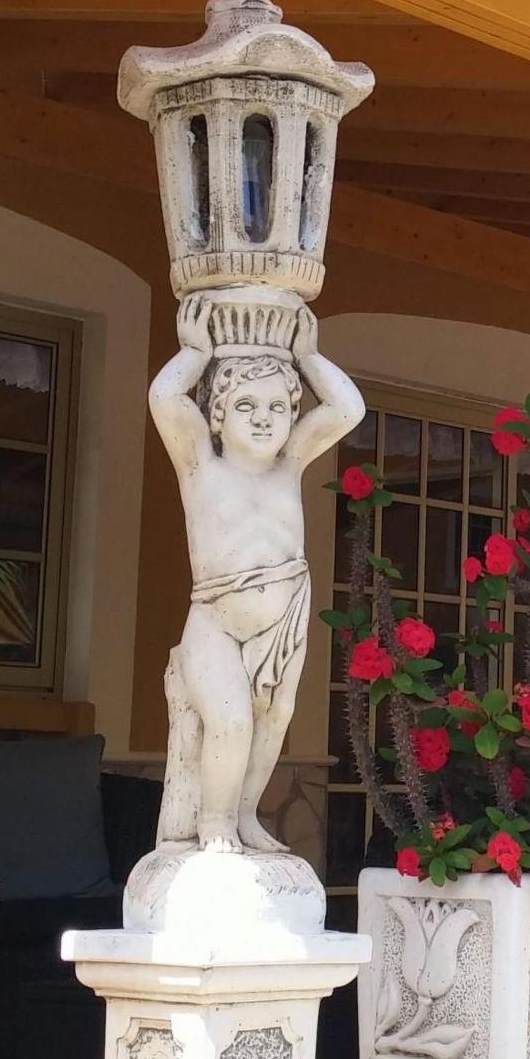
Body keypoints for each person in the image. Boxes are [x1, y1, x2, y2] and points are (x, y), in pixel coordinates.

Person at [149, 294, 365, 853]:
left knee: (274, 719)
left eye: (277, 407)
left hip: (285, 613)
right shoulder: (200, 463)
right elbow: (166, 399)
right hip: (215, 621)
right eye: (246, 405)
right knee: (232, 721)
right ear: (219, 415)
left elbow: (348, 409)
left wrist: (309, 359)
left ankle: (244, 816)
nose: (264, 418)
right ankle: (216, 821)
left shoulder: (289, 463)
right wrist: (195, 354)